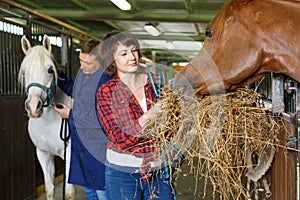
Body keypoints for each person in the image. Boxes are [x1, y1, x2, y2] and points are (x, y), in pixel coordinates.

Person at [96, 30, 174, 200]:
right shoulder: (106, 92)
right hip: (122, 171)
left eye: (134, 50)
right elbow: (119, 137)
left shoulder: (155, 82)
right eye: (123, 54)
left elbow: (170, 126)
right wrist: (148, 117)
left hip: (157, 169)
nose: (132, 57)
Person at [54, 40, 113, 200]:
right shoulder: (87, 76)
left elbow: (101, 118)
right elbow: (75, 90)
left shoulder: (107, 82)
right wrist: (58, 74)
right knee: (90, 192)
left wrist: (70, 115)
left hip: (99, 148)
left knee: (102, 192)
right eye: (81, 61)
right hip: (83, 146)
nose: (82, 66)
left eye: (87, 63)